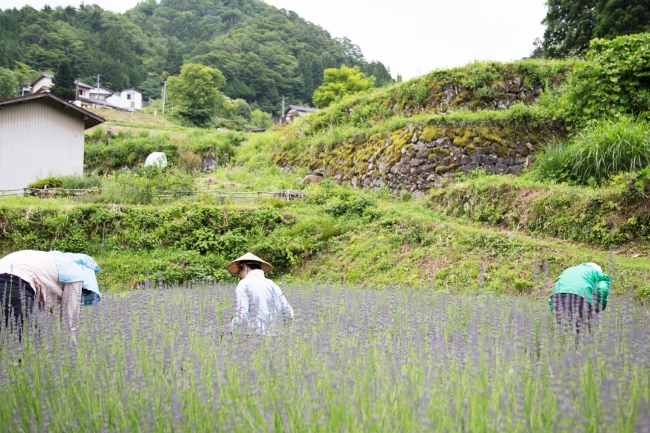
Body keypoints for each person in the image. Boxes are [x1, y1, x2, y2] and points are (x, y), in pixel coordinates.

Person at [0, 250, 101, 339]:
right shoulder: (75, 272)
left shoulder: (47, 260)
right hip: (15, 284)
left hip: (12, 280)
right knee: (29, 342)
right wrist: (71, 343)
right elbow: (69, 319)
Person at [227, 252, 293, 334]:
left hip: (253, 338)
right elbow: (289, 314)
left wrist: (230, 330)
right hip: (275, 341)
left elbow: (241, 316)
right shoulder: (274, 285)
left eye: (239, 272)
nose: (240, 275)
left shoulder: (244, 284)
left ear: (244, 267)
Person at [548, 263, 610, 333]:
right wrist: (598, 307)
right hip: (580, 297)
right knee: (583, 331)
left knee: (563, 331)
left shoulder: (569, 270)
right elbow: (602, 290)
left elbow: (555, 289)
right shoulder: (598, 274)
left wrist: (553, 310)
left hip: (557, 296)